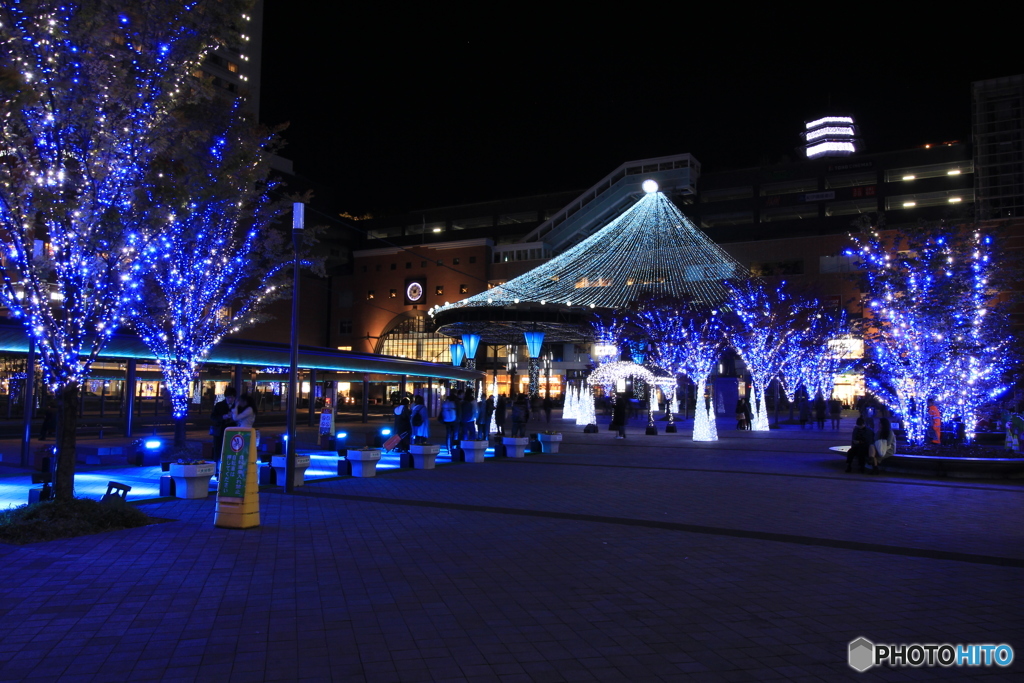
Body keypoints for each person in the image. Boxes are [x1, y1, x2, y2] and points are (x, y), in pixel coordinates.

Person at [211, 387, 237, 461]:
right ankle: (217, 468)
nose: (230, 399)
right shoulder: (219, 405)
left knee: (231, 450)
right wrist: (222, 417)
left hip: (233, 431)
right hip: (220, 431)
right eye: (229, 398)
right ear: (225, 397)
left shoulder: (237, 406)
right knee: (218, 450)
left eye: (232, 398)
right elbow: (212, 417)